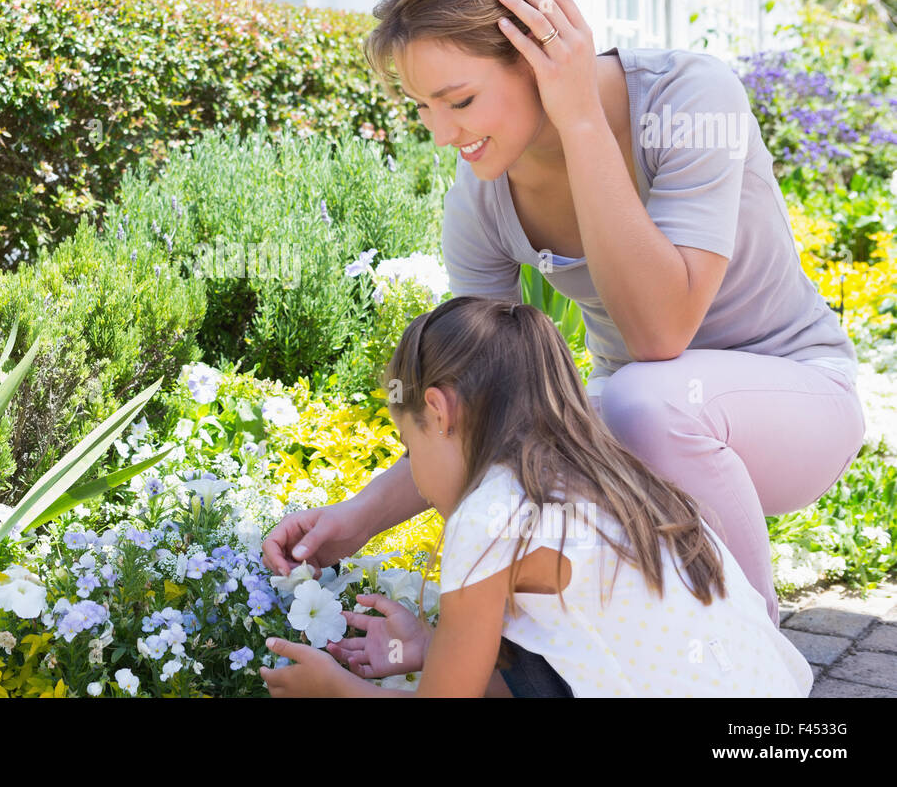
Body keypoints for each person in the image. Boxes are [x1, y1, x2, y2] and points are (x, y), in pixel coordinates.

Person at [262, 0, 865, 633]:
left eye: (459, 101)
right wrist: (357, 516)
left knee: (640, 398)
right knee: (545, 448)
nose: (443, 134)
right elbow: (483, 401)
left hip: (795, 400)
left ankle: (752, 660)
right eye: (422, 107)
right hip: (636, 423)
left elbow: (659, 332)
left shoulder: (689, 99)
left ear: (541, 51)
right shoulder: (484, 197)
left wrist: (581, 121)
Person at [258, 298, 814, 697]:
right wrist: (430, 647)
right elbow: (554, 659)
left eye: (409, 443)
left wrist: (335, 690)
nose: (418, 480)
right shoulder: (612, 474)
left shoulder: (489, 515)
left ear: (438, 411)